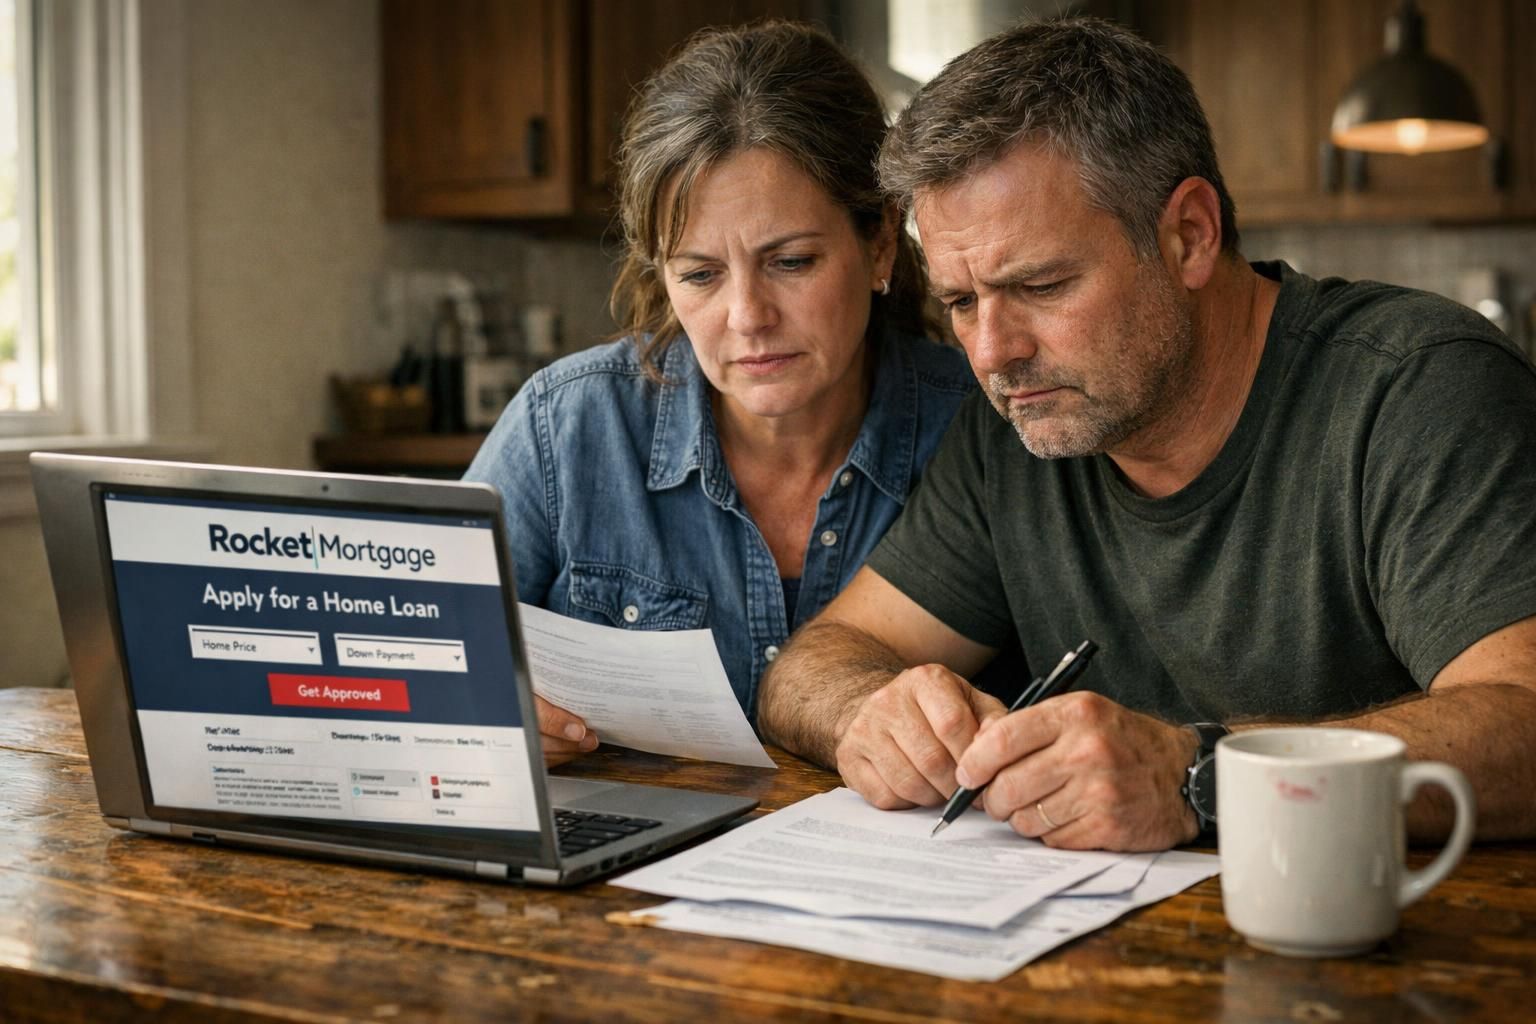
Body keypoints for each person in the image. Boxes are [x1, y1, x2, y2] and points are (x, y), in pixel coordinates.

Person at [757, 17, 1536, 851]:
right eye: (960, 301)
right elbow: (813, 664)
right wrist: (871, 714)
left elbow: (1521, 723)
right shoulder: (1021, 426)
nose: (992, 353)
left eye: (1043, 285)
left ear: (1190, 234)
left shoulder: (1416, 386)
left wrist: (1199, 775)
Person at [464, 22, 973, 765]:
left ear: (881, 243)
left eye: (792, 261)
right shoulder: (567, 426)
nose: (747, 319)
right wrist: (482, 718)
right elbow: (415, 666)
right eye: (700, 275)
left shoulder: (981, 429)